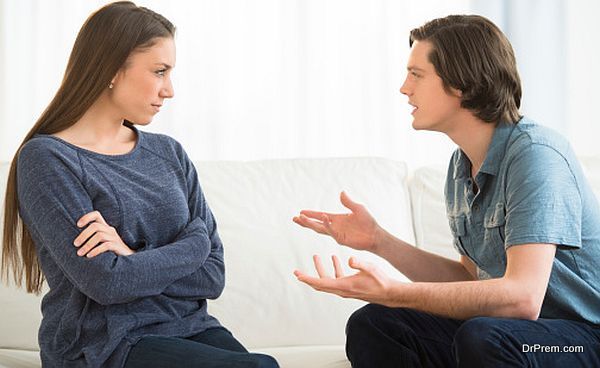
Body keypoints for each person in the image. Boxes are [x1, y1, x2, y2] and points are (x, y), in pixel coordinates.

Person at [293, 14, 600, 368]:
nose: (404, 88)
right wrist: (380, 241)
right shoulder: (461, 165)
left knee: (484, 337)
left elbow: (521, 299)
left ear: (462, 84)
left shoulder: (536, 155)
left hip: (580, 340)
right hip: (517, 333)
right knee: (376, 324)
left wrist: (395, 292)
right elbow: (471, 279)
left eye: (417, 75)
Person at [1, 2, 279, 368]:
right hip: (105, 345)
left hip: (190, 327)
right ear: (112, 69)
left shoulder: (169, 154)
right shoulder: (48, 159)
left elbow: (213, 275)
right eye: (160, 71)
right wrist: (193, 244)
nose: (170, 90)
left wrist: (131, 257)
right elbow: (106, 283)